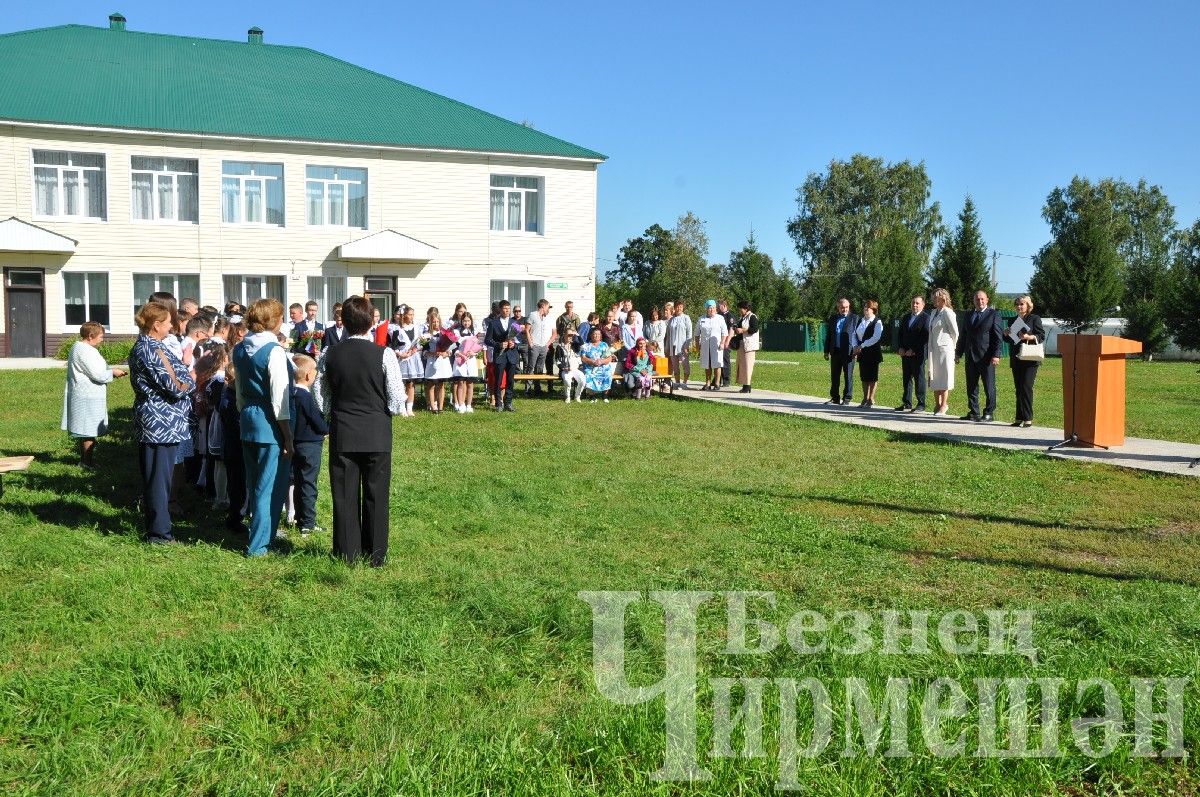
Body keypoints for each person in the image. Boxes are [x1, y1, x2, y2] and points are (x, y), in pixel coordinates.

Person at [317, 295, 404, 566]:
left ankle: (347, 553)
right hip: (377, 432)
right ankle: (376, 555)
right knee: (377, 495)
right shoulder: (384, 354)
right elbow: (396, 399)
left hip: (344, 431)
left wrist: (331, 416)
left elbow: (321, 396)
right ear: (371, 322)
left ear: (342, 321)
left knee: (344, 495)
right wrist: (384, 412)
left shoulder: (329, 354)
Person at [231, 298, 296, 557]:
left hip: (248, 417)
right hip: (269, 421)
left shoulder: (239, 348)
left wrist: (245, 412)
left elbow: (238, 392)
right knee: (269, 485)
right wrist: (288, 436)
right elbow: (280, 399)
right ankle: (259, 544)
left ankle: (262, 534)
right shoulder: (274, 350)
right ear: (276, 320)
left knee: (254, 481)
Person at [128, 302, 195, 544]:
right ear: (156, 325)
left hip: (158, 421)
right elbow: (176, 385)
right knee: (158, 479)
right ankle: (159, 534)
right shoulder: (151, 349)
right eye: (168, 322)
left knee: (157, 477)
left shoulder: (149, 346)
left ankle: (158, 528)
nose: (172, 326)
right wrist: (192, 379)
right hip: (161, 423)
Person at [63, 321, 127, 468]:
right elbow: (97, 374)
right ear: (90, 336)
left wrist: (110, 370)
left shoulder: (83, 348)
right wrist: (113, 373)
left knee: (86, 430)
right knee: (88, 430)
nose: (102, 340)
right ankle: (87, 462)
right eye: (100, 337)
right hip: (86, 396)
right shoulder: (83, 350)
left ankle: (85, 461)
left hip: (87, 394)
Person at [290, 354, 329, 535]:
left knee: (298, 481)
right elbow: (315, 418)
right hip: (310, 444)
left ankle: (299, 517)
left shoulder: (291, 394)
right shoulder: (305, 397)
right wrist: (326, 429)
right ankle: (308, 522)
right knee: (309, 483)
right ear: (307, 376)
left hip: (295, 442)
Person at [955, 289, 1004, 422]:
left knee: (989, 386)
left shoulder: (994, 314)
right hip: (970, 356)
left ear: (987, 300)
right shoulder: (968, 315)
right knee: (971, 385)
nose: (980, 301)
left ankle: (989, 412)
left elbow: (998, 337)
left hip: (986, 356)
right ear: (974, 301)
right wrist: (958, 353)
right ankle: (974, 412)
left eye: (982, 299)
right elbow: (963, 335)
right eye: (977, 299)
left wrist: (996, 355)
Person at [1008, 295, 1046, 428]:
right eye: (1017, 304)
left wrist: (1029, 336)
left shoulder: (1034, 318)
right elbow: (1011, 340)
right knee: (1018, 388)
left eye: (1022, 304)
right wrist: (1006, 334)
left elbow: (1041, 336)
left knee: (1026, 387)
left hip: (1030, 358)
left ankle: (1028, 418)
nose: (1019, 306)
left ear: (1028, 305)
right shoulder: (1013, 320)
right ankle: (1019, 417)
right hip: (1017, 357)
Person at [926, 288, 959, 416]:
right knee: (934, 376)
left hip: (945, 349)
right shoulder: (934, 312)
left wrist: (951, 346)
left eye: (936, 297)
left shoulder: (948, 312)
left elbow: (955, 332)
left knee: (945, 376)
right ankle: (937, 404)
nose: (934, 299)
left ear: (943, 298)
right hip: (933, 349)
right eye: (933, 297)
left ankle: (944, 404)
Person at [484, 299, 520, 412]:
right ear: (500, 309)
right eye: (504, 308)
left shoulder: (514, 323)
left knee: (510, 380)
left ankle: (508, 403)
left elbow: (519, 340)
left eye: (508, 309)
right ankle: (498, 403)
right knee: (498, 380)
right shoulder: (493, 323)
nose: (507, 311)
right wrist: (499, 344)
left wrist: (513, 344)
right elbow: (487, 340)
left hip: (511, 355)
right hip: (499, 355)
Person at [895, 295, 929, 413]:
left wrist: (913, 350)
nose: (914, 305)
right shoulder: (906, 317)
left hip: (918, 354)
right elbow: (900, 334)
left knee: (919, 378)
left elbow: (925, 337)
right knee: (906, 378)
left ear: (923, 305)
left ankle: (921, 404)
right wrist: (900, 348)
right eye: (913, 303)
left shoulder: (926, 318)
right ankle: (907, 403)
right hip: (905, 354)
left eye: (917, 303)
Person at [823, 298, 859, 405]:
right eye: (842, 307)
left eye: (847, 307)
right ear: (838, 307)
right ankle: (835, 398)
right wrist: (826, 351)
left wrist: (857, 351)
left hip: (849, 352)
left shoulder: (854, 318)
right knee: (834, 375)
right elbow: (829, 335)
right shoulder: (833, 318)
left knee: (848, 376)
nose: (845, 309)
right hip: (835, 351)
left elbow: (858, 335)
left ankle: (847, 398)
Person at [392, 305, 423, 416]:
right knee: (401, 384)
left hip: (413, 358)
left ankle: (410, 408)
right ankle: (401, 408)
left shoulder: (415, 327)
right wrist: (401, 354)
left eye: (412, 315)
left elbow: (419, 344)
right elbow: (393, 346)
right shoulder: (397, 328)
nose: (411, 317)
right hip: (402, 358)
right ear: (404, 315)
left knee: (411, 383)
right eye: (410, 314)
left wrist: (415, 350)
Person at [853, 300, 884, 408]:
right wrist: (855, 346)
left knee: (872, 377)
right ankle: (865, 398)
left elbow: (875, 338)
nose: (865, 309)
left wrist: (862, 346)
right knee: (864, 376)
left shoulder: (877, 322)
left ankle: (871, 399)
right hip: (862, 352)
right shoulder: (860, 321)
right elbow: (854, 334)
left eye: (868, 307)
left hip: (873, 352)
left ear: (873, 309)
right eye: (865, 307)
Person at [421, 307, 453, 413]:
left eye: (437, 321)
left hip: (442, 361)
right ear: (430, 322)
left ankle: (440, 407)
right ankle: (433, 407)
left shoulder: (444, 333)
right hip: (431, 361)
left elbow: (450, 349)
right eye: (433, 321)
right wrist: (432, 353)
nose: (435, 323)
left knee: (441, 384)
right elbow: (424, 351)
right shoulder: (426, 335)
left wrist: (446, 352)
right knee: (431, 384)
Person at [696, 299, 730, 390]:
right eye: (710, 308)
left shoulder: (720, 318)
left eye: (714, 308)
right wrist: (697, 346)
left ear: (716, 309)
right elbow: (696, 334)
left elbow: (725, 332)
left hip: (717, 345)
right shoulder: (701, 319)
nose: (712, 310)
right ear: (706, 309)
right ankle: (707, 383)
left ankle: (717, 383)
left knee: (717, 364)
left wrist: (722, 343)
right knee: (707, 364)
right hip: (705, 346)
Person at [526, 298, 557, 395]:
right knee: (531, 367)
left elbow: (554, 334)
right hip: (534, 345)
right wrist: (531, 343)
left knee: (539, 368)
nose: (549, 309)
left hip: (544, 346)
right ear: (543, 306)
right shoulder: (532, 315)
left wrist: (548, 344)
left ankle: (537, 389)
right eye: (548, 307)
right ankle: (528, 389)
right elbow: (527, 329)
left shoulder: (550, 318)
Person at [452, 311, 482, 413]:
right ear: (461, 321)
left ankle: (469, 405)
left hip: (470, 359)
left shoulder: (475, 332)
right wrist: (460, 353)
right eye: (464, 321)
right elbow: (454, 346)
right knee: (461, 381)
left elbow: (479, 346)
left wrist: (473, 352)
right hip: (460, 359)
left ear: (471, 321)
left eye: (468, 321)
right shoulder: (456, 332)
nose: (466, 323)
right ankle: (461, 404)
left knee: (470, 383)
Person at [580, 326, 615, 403]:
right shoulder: (586, 346)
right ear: (590, 335)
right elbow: (583, 358)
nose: (596, 336)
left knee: (607, 374)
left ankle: (605, 396)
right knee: (589, 375)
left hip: (603, 366)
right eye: (594, 334)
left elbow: (609, 358)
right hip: (590, 366)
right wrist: (592, 362)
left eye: (598, 334)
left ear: (601, 336)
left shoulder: (604, 345)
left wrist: (601, 361)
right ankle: (592, 396)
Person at [732, 300, 760, 394]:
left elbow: (754, 329)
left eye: (741, 308)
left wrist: (743, 330)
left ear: (746, 308)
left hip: (749, 345)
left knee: (748, 365)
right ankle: (745, 385)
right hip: (742, 344)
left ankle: (747, 386)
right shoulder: (743, 318)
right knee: (742, 365)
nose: (739, 310)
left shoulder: (752, 317)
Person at [666, 300, 693, 388]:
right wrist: (667, 347)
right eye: (677, 307)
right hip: (673, 346)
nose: (679, 308)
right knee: (675, 366)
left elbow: (689, 333)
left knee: (685, 364)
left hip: (682, 346)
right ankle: (677, 383)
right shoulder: (671, 320)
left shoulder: (686, 318)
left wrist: (686, 345)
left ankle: (684, 383)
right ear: (674, 308)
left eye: (680, 307)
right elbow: (668, 334)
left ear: (683, 308)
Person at [556, 336, 586, 402]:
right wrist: (563, 368)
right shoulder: (560, 346)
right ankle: (567, 397)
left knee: (583, 381)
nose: (570, 337)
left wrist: (577, 335)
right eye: (568, 335)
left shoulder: (575, 345)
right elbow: (557, 360)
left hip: (576, 369)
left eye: (571, 335)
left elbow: (583, 345)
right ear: (565, 335)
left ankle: (577, 396)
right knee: (567, 381)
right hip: (565, 369)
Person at [717, 299, 736, 386]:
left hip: (726, 342)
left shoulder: (729, 316)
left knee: (725, 360)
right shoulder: (718, 315)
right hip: (719, 341)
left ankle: (726, 380)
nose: (717, 307)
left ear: (724, 306)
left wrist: (727, 342)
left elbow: (731, 330)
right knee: (717, 360)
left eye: (719, 306)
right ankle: (717, 379)